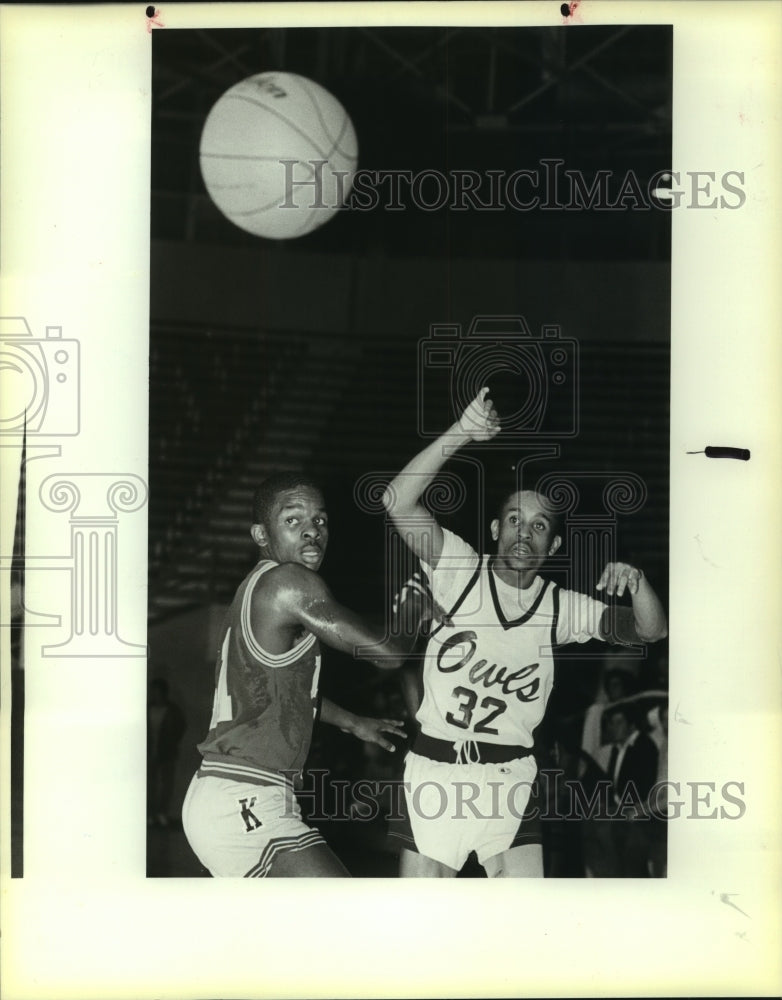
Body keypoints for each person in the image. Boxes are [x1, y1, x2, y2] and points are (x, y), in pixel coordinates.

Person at [382, 387, 667, 877]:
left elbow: (651, 630)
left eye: (538, 526)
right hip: (435, 771)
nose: (523, 532)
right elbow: (396, 500)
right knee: (418, 929)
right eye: (514, 519)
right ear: (495, 529)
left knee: (526, 926)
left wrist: (637, 582)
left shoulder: (560, 607)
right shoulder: (458, 567)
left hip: (509, 776)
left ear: (553, 544)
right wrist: (463, 433)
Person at [182, 472, 424, 878]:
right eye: (293, 520)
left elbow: (273, 694)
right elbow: (388, 654)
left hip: (233, 795)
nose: (312, 531)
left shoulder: (257, 588)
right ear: (261, 533)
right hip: (244, 797)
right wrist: (415, 603)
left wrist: (351, 722)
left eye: (320, 521)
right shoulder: (289, 583)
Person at [147, 676, 187, 828]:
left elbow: (180, 727)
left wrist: (171, 744)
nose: (154, 694)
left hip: (166, 754)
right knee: (151, 785)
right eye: (152, 691)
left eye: (157, 692)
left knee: (165, 785)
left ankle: (161, 814)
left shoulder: (172, 710)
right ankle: (150, 815)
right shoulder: (147, 708)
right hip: (150, 753)